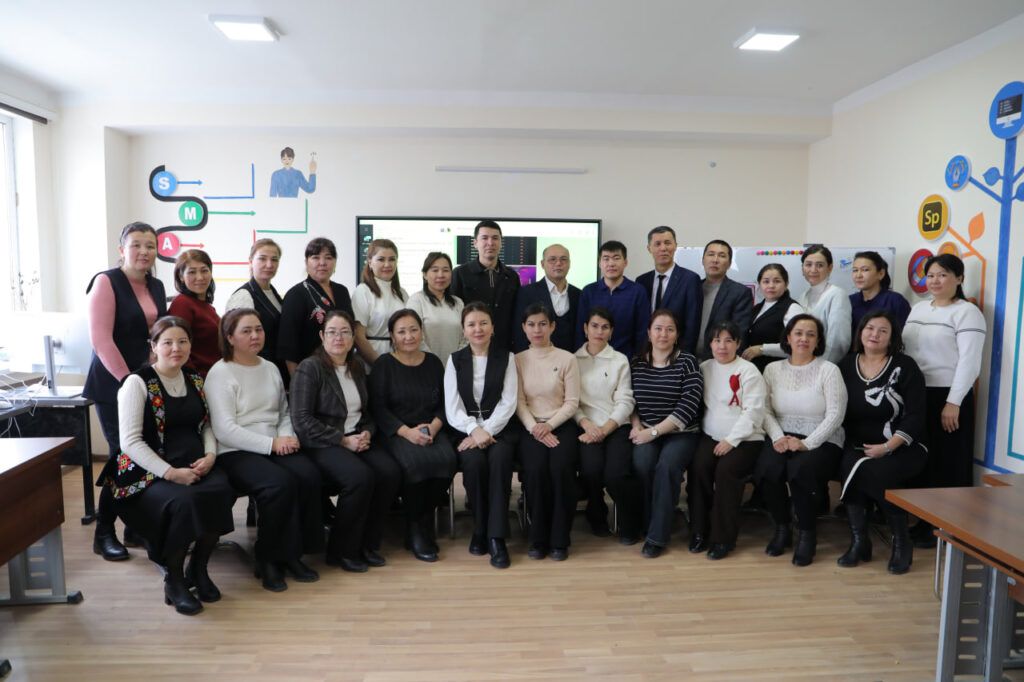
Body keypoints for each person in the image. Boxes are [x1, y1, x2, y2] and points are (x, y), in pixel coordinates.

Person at [104, 316, 234, 615]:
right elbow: (130, 442)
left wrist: (211, 456)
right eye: (168, 342)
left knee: (221, 491)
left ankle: (198, 569)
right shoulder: (137, 383)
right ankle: (174, 580)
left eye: (183, 341)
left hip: (194, 463)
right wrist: (171, 473)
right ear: (153, 347)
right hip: (148, 471)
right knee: (184, 503)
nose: (176, 348)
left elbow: (206, 425)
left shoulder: (194, 378)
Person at [204, 309, 322, 591]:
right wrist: (271, 444)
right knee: (278, 484)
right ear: (229, 337)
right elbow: (224, 429)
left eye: (258, 329)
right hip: (235, 450)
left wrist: (286, 437)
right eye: (246, 331)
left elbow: (283, 413)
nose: (255, 335)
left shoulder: (269, 367)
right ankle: (267, 559)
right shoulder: (220, 373)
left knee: (309, 476)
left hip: (274, 442)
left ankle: (293, 554)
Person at [290, 310, 402, 572]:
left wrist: (367, 434)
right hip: (322, 442)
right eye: (332, 332)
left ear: (353, 337)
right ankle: (341, 551)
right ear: (322, 336)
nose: (338, 338)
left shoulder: (357, 367)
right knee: (359, 477)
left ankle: (367, 544)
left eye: (345, 332)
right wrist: (342, 440)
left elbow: (367, 412)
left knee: (389, 472)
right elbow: (302, 420)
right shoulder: (310, 368)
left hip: (356, 437)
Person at [84, 221, 167, 561]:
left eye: (150, 245)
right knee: (123, 456)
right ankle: (104, 532)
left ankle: (135, 527)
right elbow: (101, 341)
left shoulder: (156, 285)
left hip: (144, 383)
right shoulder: (106, 282)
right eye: (136, 245)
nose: (144, 251)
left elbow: (156, 337)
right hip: (113, 384)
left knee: (145, 453)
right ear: (122, 249)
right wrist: (129, 383)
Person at [903, 253, 986, 547]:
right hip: (917, 393)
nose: (935, 281)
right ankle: (923, 521)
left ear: (959, 278)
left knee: (947, 462)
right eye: (931, 275)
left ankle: (945, 527)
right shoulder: (918, 308)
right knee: (924, 460)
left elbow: (969, 362)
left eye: (943, 275)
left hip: (948, 395)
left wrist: (954, 402)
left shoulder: (967, 312)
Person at [838, 311, 928, 574]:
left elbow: (916, 416)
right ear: (860, 332)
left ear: (892, 337)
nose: (874, 335)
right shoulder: (846, 365)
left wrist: (888, 447)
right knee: (850, 465)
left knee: (876, 472)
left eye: (883, 330)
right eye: (869, 328)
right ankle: (859, 541)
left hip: (904, 445)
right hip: (859, 445)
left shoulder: (905, 366)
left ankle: (902, 542)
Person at [755, 314, 847, 566]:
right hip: (780, 434)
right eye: (798, 333)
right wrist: (777, 437)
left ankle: (807, 533)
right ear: (788, 338)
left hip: (822, 437)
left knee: (800, 469)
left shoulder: (829, 370)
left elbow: (836, 415)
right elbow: (764, 410)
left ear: (818, 341)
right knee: (768, 468)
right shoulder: (772, 369)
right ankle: (782, 527)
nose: (803, 339)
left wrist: (807, 443)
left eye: (810, 334)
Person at [369, 309, 457, 562]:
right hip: (397, 432)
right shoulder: (384, 365)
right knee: (415, 464)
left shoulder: (433, 362)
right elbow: (378, 408)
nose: (408, 336)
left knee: (448, 460)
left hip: (431, 428)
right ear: (392, 336)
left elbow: (446, 403)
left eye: (413, 330)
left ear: (421, 331)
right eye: (401, 332)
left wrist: (434, 427)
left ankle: (422, 519)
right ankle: (417, 526)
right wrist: (407, 433)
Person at [444, 302, 519, 568]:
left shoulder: (507, 357)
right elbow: (452, 407)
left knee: (499, 461)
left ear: (492, 328)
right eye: (472, 324)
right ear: (464, 330)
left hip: (500, 429)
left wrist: (486, 430)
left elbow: (509, 402)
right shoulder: (454, 360)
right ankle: (480, 527)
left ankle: (496, 537)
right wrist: (473, 430)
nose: (478, 329)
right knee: (473, 463)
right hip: (465, 430)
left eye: (483, 323)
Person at [689, 320, 767, 560]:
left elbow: (754, 412)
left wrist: (731, 440)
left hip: (746, 438)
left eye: (728, 341)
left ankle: (723, 539)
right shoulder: (704, 368)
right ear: (710, 344)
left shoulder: (748, 371)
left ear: (738, 344)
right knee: (698, 468)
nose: (722, 346)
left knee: (726, 471)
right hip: (711, 434)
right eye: (716, 340)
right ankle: (699, 531)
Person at [629, 309, 703, 557]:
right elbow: (630, 401)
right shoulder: (637, 362)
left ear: (677, 334)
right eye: (658, 329)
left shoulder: (687, 361)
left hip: (681, 432)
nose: (663, 334)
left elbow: (688, 406)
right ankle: (649, 520)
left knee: (667, 467)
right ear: (649, 333)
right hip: (646, 429)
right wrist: (636, 425)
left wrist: (654, 432)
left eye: (669, 329)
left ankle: (657, 537)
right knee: (642, 464)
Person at [516, 303, 581, 561]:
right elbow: (519, 402)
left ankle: (560, 539)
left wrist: (549, 426)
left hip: (561, 424)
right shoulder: (517, 360)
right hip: (530, 426)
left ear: (552, 326)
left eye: (543, 324)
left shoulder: (567, 359)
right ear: (523, 328)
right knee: (535, 470)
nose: (537, 330)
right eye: (531, 324)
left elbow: (572, 402)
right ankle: (538, 538)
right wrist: (535, 428)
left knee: (561, 469)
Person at [573, 306, 640, 541]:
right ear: (585, 328)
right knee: (591, 470)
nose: (599, 332)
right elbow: (571, 401)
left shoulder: (619, 360)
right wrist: (586, 425)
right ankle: (596, 515)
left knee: (616, 474)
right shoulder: (573, 360)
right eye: (594, 326)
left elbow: (625, 401)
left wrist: (604, 429)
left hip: (615, 426)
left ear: (611, 331)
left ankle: (630, 522)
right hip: (586, 427)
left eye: (605, 327)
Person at [278, 237, 354, 375]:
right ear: (306, 262)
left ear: (335, 262)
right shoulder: (296, 294)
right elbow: (288, 346)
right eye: (315, 257)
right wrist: (298, 381)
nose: (322, 263)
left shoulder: (342, 291)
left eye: (328, 258)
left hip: (344, 368)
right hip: (311, 372)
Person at [225, 239, 289, 384]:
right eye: (262, 258)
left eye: (274, 260)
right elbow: (237, 343)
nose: (269, 264)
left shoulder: (272, 293)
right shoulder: (243, 296)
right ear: (251, 261)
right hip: (253, 373)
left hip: (273, 371)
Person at [451, 220, 521, 351]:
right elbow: (454, 315)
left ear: (501, 243)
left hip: (504, 348)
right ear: (475, 243)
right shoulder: (460, 274)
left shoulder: (512, 276)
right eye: (484, 238)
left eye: (495, 238)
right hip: (470, 347)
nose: (490, 243)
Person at [575, 241, 650, 358]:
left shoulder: (637, 291)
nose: (611, 263)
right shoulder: (589, 291)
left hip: (627, 359)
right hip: (592, 359)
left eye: (616, 258)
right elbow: (581, 330)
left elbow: (642, 331)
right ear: (599, 263)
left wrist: (637, 360)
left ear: (625, 262)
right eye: (606, 259)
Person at [636, 226, 703, 354]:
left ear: (675, 246)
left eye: (667, 243)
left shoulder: (690, 279)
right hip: (646, 353)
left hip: (677, 353)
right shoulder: (641, 281)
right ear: (649, 248)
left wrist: (684, 357)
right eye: (657, 244)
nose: (663, 248)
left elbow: (692, 324)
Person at [513, 244, 581, 352]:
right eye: (552, 259)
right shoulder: (526, 293)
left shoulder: (579, 294)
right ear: (542, 264)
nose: (558, 263)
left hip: (571, 358)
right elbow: (519, 332)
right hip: (536, 358)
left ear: (569, 264)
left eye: (563, 259)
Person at [352, 238, 408, 365]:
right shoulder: (363, 291)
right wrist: (379, 365)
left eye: (392, 259)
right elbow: (359, 337)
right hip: (372, 361)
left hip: (400, 360)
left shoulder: (402, 293)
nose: (387, 265)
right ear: (370, 262)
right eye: (381, 259)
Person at [740, 263, 804, 372]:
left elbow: (798, 345)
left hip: (781, 372)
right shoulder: (756, 309)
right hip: (756, 371)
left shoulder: (792, 308)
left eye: (777, 281)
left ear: (786, 284)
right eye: (766, 281)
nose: (771, 286)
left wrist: (762, 349)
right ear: (759, 284)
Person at [697, 239, 753, 360]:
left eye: (721, 256)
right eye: (711, 254)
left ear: (729, 264)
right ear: (703, 260)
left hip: (719, 361)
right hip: (688, 360)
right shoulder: (692, 288)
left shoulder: (740, 292)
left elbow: (739, 333)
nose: (715, 260)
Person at [168, 249, 220, 377]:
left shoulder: (207, 306)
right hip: (198, 379)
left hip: (214, 376)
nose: (200, 277)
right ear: (181, 277)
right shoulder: (182, 304)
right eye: (192, 272)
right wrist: (195, 381)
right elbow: (177, 349)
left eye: (204, 270)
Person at [407, 252, 466, 365]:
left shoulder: (458, 303)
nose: (441, 275)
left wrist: (454, 362)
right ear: (425, 274)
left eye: (445, 270)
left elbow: (466, 336)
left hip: (455, 366)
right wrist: (435, 364)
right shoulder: (416, 300)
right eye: (435, 270)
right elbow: (414, 337)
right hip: (425, 365)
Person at [796, 244, 852, 364]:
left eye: (820, 265)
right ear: (802, 268)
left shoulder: (837, 295)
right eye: (808, 264)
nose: (813, 270)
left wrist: (819, 368)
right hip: (804, 363)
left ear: (830, 268)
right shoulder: (803, 297)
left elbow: (838, 343)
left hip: (826, 367)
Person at [849, 251, 911, 333]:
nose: (858, 275)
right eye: (855, 270)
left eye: (865, 270)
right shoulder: (850, 301)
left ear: (881, 273)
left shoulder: (895, 301)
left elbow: (904, 335)